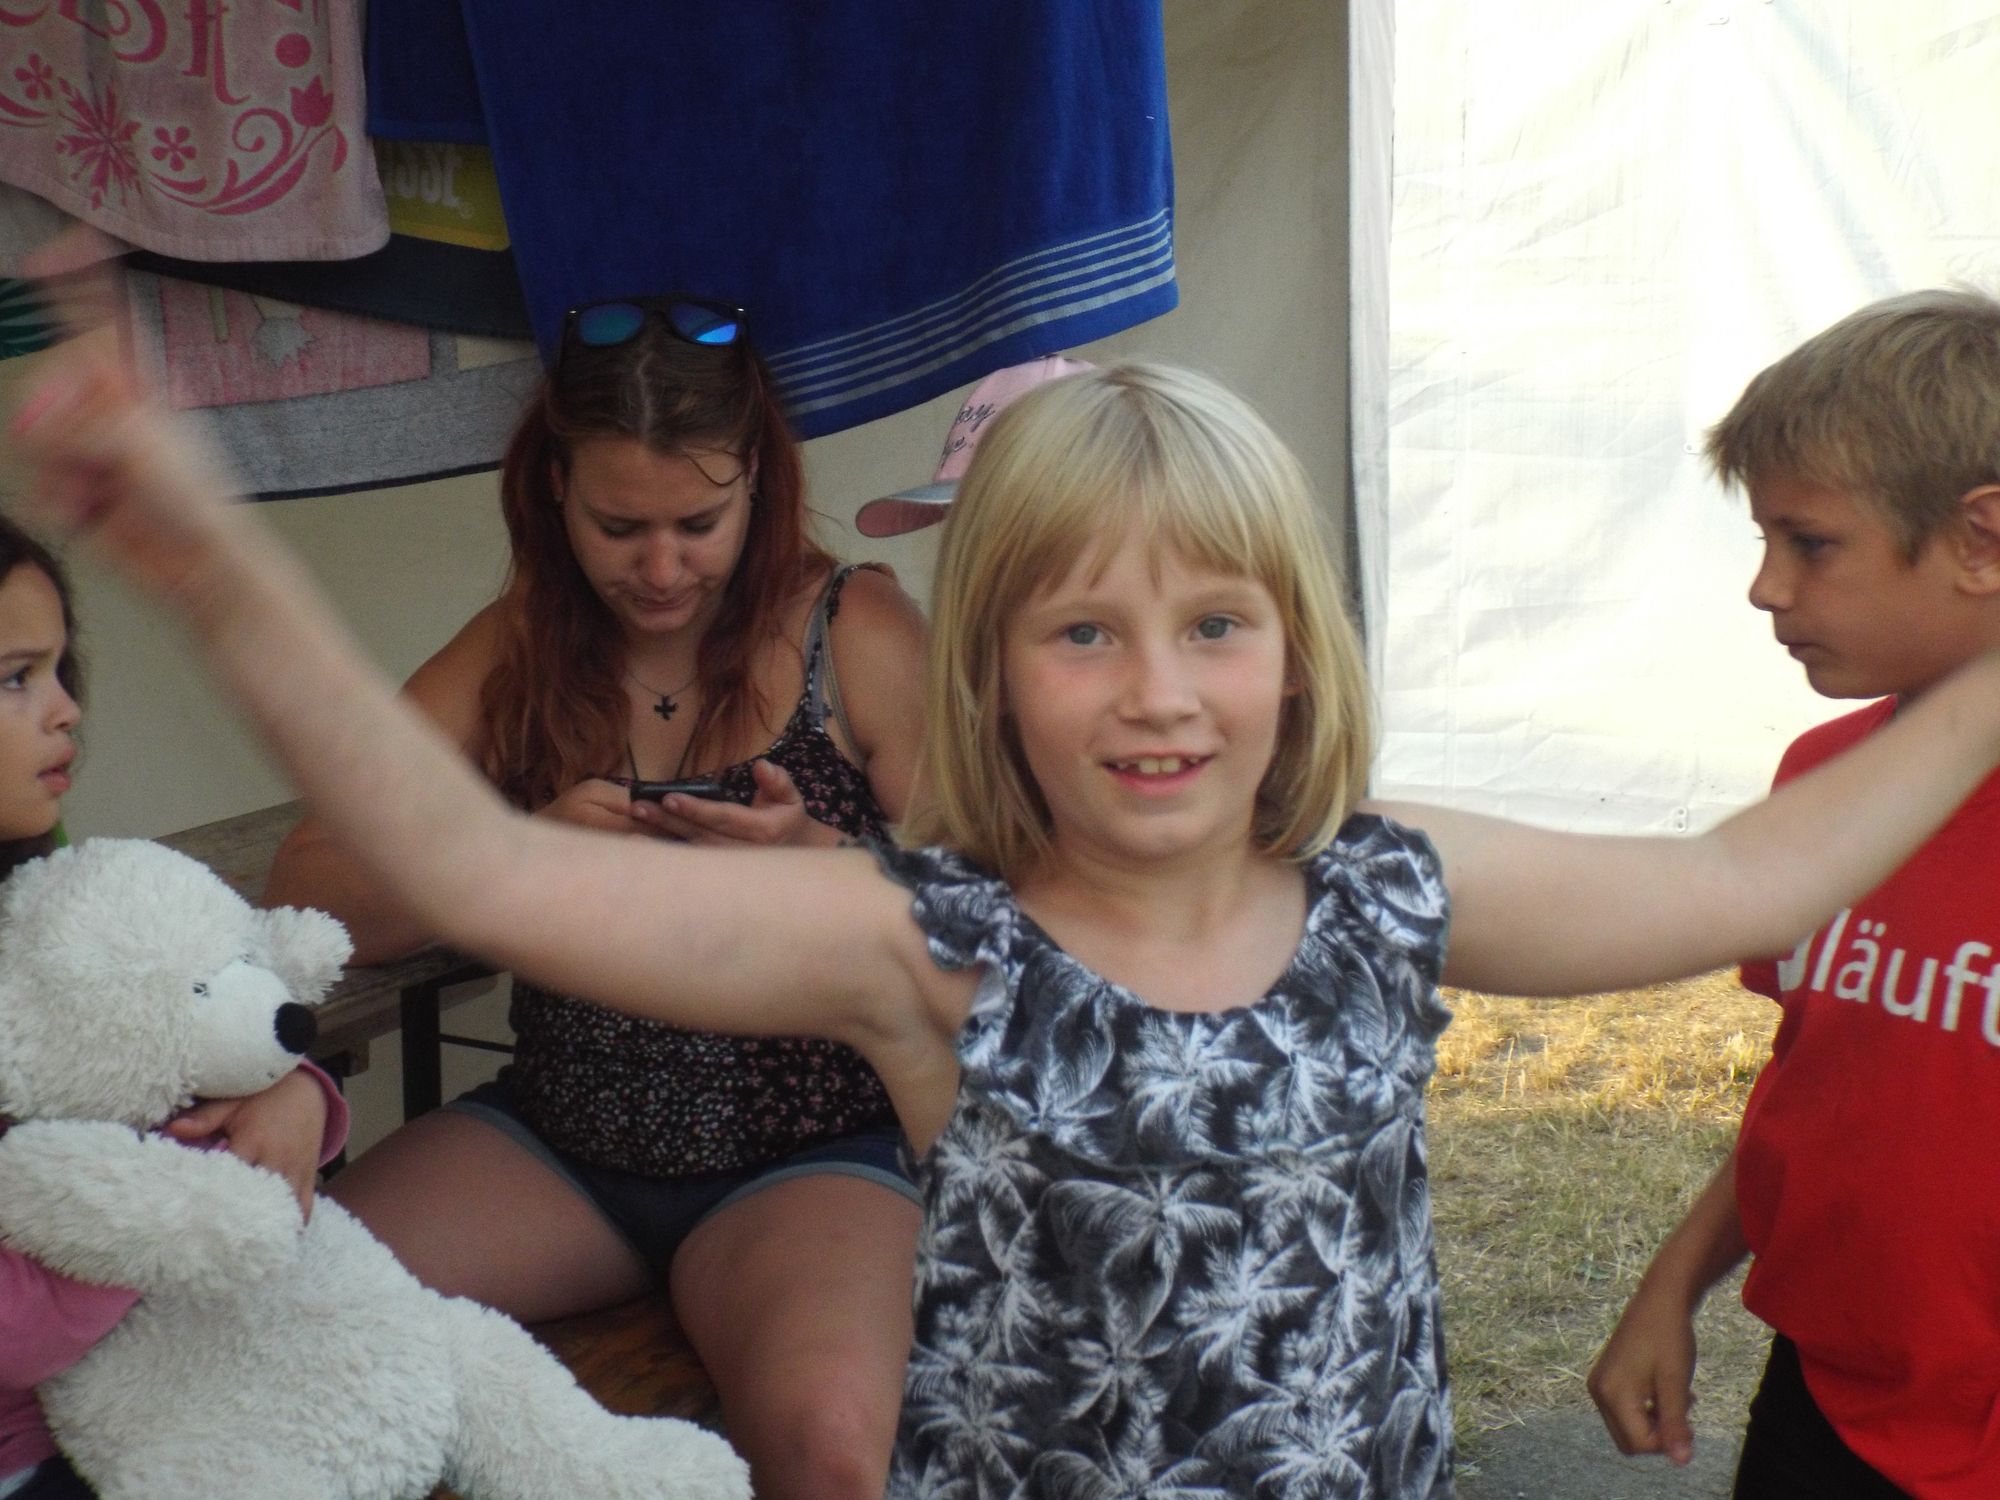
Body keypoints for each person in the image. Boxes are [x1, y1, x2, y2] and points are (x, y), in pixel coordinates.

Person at [16, 347, 2000, 1498]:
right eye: (1082, 634)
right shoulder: (921, 944)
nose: (1157, 693)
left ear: (1297, 648)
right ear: (988, 669)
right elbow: (478, 872)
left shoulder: (1389, 883)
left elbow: (1747, 879)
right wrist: (205, 558)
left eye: (1213, 624)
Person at [258, 295, 929, 1500]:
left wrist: (824, 865)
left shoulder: (855, 628)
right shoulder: (518, 641)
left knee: (828, 1451)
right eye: (619, 527)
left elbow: (1013, 909)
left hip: (812, 1153)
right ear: (554, 490)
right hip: (560, 1143)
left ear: (758, 487)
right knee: (264, 1319)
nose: (661, 569)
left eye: (698, 524)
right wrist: (508, 862)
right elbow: (311, 888)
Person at [1586, 289, 2000, 1499]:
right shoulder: (1821, 788)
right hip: (1823, 1399)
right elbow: (1823, 1087)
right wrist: (1672, 1281)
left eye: (1807, 543)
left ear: (1980, 539)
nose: (1765, 588)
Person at [0, 515, 348, 1500]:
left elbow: (173, 1030)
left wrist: (291, 1095)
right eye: (16, 678)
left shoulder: (51, 894)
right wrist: (196, 1186)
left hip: (135, 1398)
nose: (67, 709)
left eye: (61, 669)